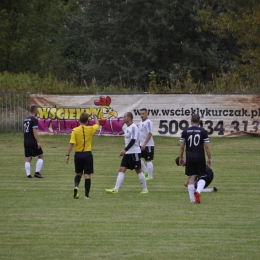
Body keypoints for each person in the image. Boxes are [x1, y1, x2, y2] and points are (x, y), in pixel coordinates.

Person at [105, 112, 148, 194]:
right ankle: (116, 189)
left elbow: (133, 140)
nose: (123, 118)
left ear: (130, 118)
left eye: (125, 117)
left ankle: (145, 189)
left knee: (138, 170)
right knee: (121, 169)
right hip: (128, 153)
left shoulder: (134, 127)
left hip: (134, 153)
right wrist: (126, 151)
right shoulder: (127, 128)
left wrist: (125, 150)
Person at [179, 114, 212, 204]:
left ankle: (192, 200)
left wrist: (181, 157)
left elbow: (182, 146)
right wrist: (209, 158)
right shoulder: (203, 131)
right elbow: (207, 146)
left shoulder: (185, 131)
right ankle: (197, 192)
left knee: (191, 178)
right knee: (202, 176)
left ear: (191, 120)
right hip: (200, 157)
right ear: (199, 121)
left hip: (189, 157)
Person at [66, 112, 99, 199]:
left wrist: (67, 154)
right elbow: (97, 124)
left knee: (78, 173)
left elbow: (71, 143)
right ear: (87, 121)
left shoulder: (75, 130)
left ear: (79, 120)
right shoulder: (90, 129)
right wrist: (95, 116)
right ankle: (86, 195)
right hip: (87, 154)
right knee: (87, 175)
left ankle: (76, 186)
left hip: (78, 154)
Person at [23, 105, 44, 178]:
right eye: (37, 111)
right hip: (32, 141)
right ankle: (37, 173)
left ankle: (28, 175)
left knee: (28, 158)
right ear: (35, 111)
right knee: (41, 156)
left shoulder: (25, 119)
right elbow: (34, 131)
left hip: (26, 141)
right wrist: (38, 141)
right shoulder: (34, 119)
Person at [139, 108, 155, 180]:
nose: (142, 115)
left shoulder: (148, 122)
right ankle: (145, 171)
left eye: (143, 114)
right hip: (141, 144)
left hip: (148, 145)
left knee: (148, 160)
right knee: (137, 158)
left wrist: (145, 143)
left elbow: (150, 133)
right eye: (140, 114)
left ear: (147, 114)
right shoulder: (141, 122)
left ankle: (150, 176)